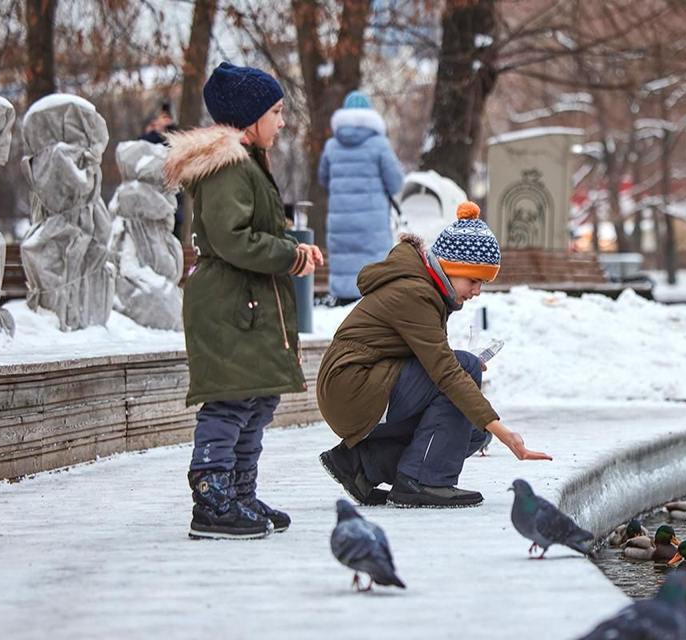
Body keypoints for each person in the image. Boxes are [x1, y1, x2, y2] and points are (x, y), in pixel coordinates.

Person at [162, 62, 325, 539]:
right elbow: (232, 238)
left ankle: (238, 492)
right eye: (276, 112)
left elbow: (250, 230)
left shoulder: (246, 163)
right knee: (231, 400)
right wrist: (288, 255)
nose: (282, 121)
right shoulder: (228, 165)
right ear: (250, 118)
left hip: (249, 301)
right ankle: (212, 499)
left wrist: (290, 248)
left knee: (256, 399)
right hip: (231, 303)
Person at [316, 202, 552, 509]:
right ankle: (424, 482)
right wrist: (505, 433)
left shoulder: (428, 288)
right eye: (474, 280)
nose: (477, 291)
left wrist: (485, 425)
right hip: (353, 387)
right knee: (463, 371)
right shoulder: (416, 292)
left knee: (470, 435)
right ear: (454, 268)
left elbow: (436, 364)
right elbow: (447, 373)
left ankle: (361, 464)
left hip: (362, 385)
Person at [317, 90, 405, 305]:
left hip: (340, 220)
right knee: (374, 266)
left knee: (344, 261)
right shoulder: (379, 145)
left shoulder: (331, 146)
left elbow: (323, 179)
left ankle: (343, 302)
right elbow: (396, 182)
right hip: (372, 222)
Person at [140, 103, 186, 239]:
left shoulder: (173, 142)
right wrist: (157, 131)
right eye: (153, 126)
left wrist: (169, 130)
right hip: (151, 207)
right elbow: (144, 144)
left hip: (172, 206)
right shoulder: (145, 143)